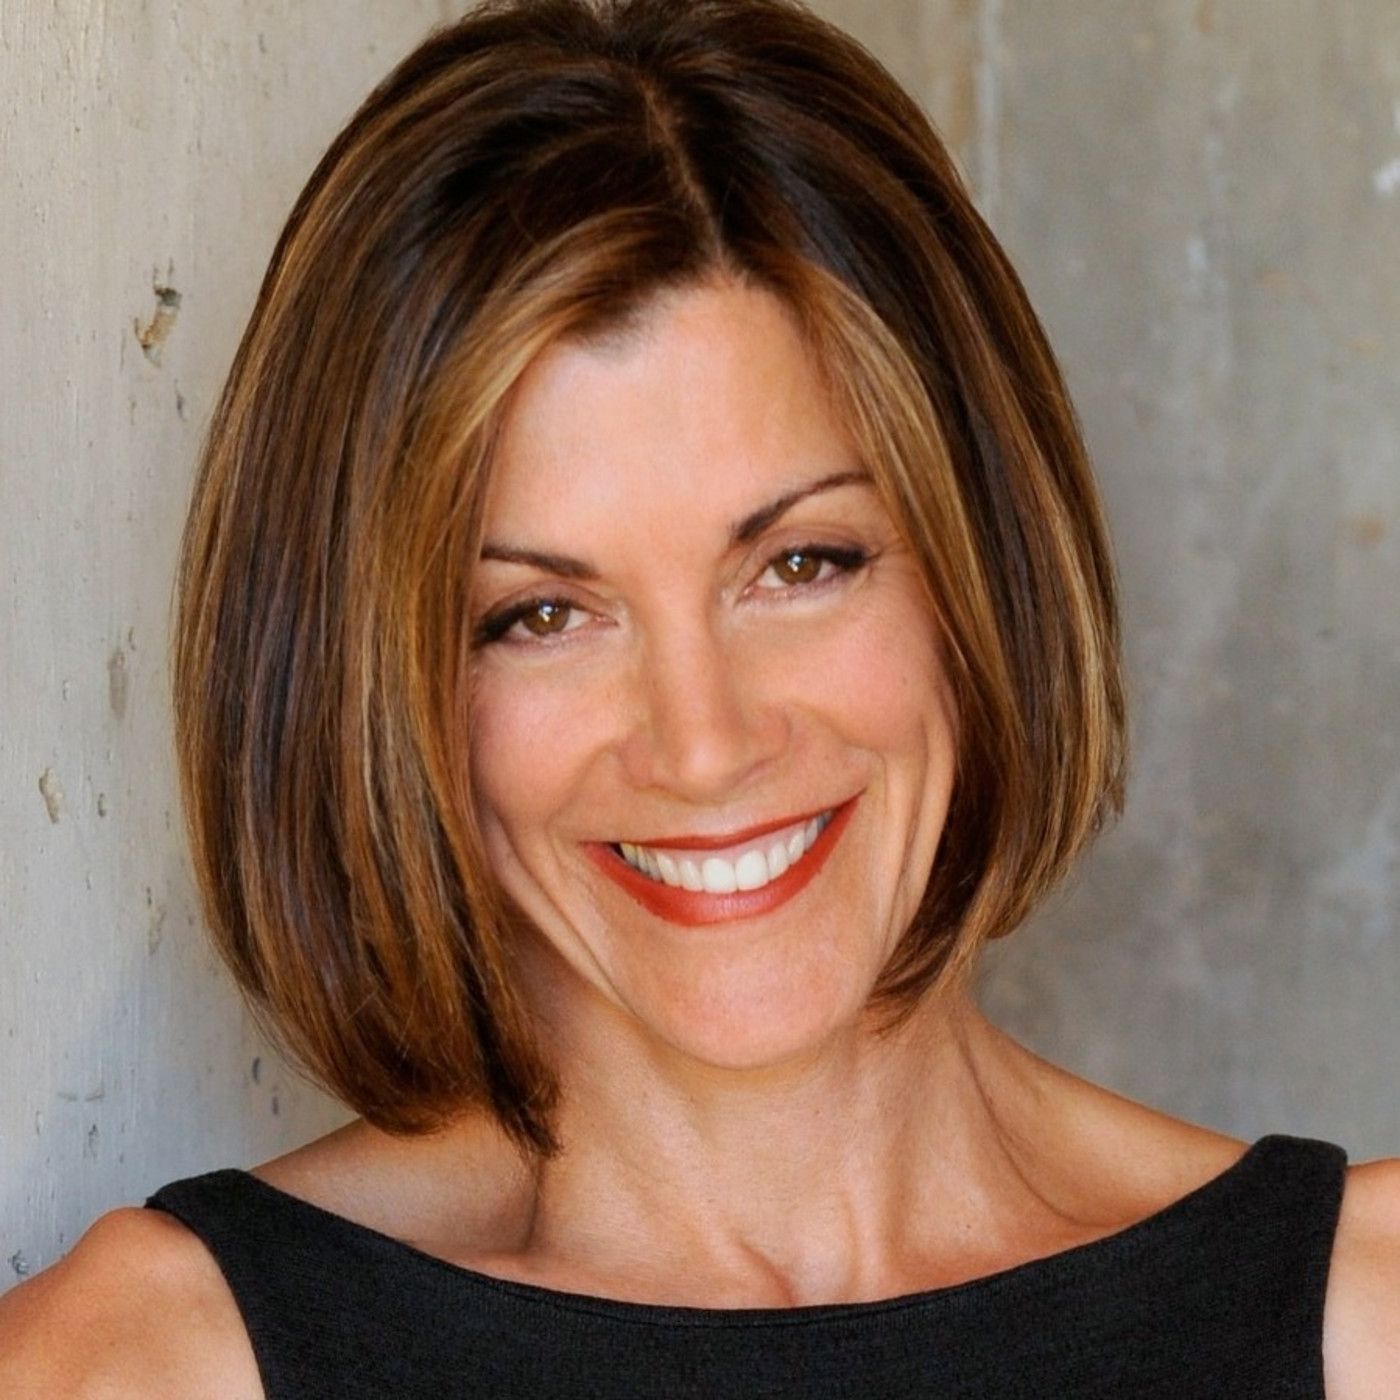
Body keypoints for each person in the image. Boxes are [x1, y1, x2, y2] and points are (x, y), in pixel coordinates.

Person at [3, 0, 1398, 1394]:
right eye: (541, 616)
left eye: (801, 564)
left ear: (989, 568)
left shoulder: (1369, 1312)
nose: (705, 743)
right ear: (369, 694)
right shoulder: (142, 1363)